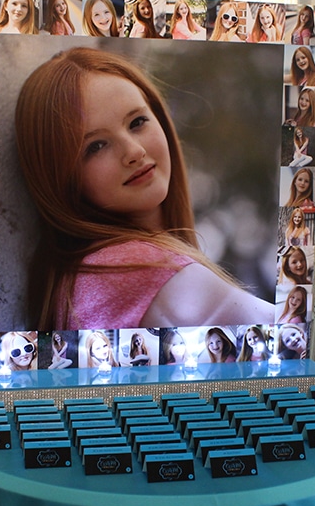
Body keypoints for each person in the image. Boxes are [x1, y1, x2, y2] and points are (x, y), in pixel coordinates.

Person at [14, 47, 275, 330]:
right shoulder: (126, 267)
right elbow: (288, 338)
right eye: (96, 146)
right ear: (60, 178)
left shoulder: (82, 273)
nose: (134, 151)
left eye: (137, 122)